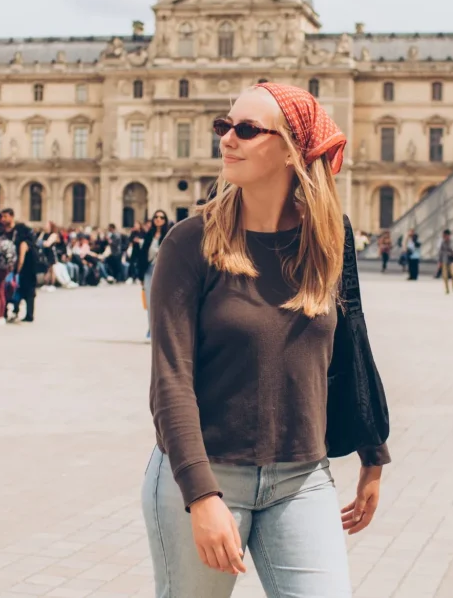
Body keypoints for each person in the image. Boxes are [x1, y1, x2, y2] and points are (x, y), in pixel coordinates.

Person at [143, 83, 389, 597]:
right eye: (224, 126)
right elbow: (171, 380)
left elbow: (350, 350)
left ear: (293, 150)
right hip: (205, 476)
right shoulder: (191, 241)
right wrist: (201, 495)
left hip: (302, 479)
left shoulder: (330, 238)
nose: (228, 139)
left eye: (247, 129)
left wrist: (372, 453)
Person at [135, 210, 171, 340]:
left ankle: (163, 330)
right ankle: (151, 329)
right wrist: (140, 276)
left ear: (165, 220)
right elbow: (142, 256)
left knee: (163, 302)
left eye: (161, 217)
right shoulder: (148, 235)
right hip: (149, 271)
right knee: (150, 303)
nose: (158, 219)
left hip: (163, 273)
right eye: (156, 217)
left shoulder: (169, 235)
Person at [1, 208, 37, 322]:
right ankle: (27, 314)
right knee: (25, 292)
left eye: (5, 216)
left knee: (17, 289)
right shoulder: (27, 241)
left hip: (24, 269)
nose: (3, 219)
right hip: (29, 269)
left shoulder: (22, 242)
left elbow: (21, 257)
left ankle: (22, 313)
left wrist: (17, 270)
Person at [436, 229, 453, 294]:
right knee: (445, 276)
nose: (444, 237)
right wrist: (440, 261)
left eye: (445, 235)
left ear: (448, 235)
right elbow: (440, 252)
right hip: (445, 260)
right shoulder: (443, 243)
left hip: (452, 260)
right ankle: (447, 289)